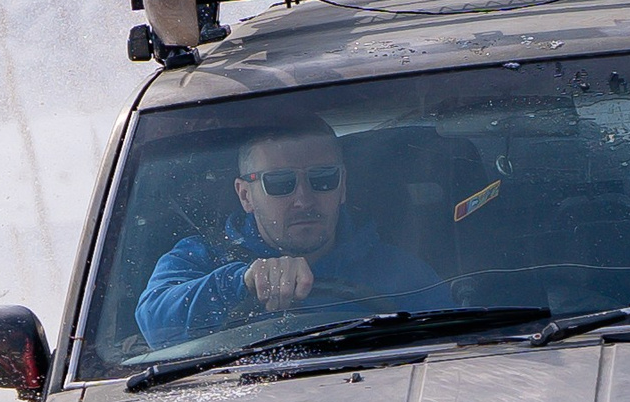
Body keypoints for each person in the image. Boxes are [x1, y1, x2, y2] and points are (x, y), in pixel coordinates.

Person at [136, 116, 451, 349]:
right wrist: (240, 282)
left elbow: (452, 347)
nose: (304, 199)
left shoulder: (402, 274)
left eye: (323, 179)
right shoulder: (200, 259)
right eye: (280, 183)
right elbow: (155, 325)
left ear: (342, 187)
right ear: (245, 195)